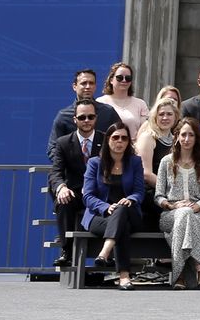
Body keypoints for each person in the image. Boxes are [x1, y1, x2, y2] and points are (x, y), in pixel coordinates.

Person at [81, 121, 145, 289]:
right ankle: (124, 276)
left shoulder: (135, 162)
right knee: (121, 225)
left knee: (122, 208)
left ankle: (105, 251)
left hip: (131, 213)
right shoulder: (95, 163)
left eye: (124, 138)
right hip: (99, 216)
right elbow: (87, 196)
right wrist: (105, 207)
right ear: (108, 139)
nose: (120, 142)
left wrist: (131, 199)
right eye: (116, 137)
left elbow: (140, 191)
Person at [155, 119, 200, 289]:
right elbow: (158, 196)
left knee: (187, 215)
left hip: (196, 215)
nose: (187, 139)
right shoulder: (167, 162)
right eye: (183, 135)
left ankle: (179, 274)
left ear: (197, 138)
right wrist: (172, 206)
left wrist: (198, 206)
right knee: (183, 213)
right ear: (177, 137)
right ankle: (199, 268)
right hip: (170, 215)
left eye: (191, 135)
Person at [47, 98, 102, 268]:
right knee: (64, 202)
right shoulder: (63, 143)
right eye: (82, 117)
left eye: (90, 117)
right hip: (75, 192)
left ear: (96, 118)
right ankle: (67, 251)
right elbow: (55, 172)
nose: (87, 121)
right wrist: (61, 187)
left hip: (101, 192)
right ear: (75, 119)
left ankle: (109, 254)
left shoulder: (107, 140)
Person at [133, 95, 183, 200]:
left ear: (176, 117)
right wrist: (172, 190)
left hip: (171, 192)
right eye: (161, 114)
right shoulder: (148, 137)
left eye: (169, 114)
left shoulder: (177, 139)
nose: (165, 118)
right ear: (155, 117)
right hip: (150, 192)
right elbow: (146, 174)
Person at [53, 68, 118, 139]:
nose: (88, 87)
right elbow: (54, 147)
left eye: (91, 83)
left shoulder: (108, 112)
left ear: (95, 86)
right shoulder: (64, 116)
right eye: (84, 83)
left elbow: (121, 136)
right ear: (74, 86)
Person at [98, 61, 149, 134]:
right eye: (120, 77)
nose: (124, 80)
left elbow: (145, 130)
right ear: (111, 80)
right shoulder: (101, 102)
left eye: (128, 78)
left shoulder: (140, 104)